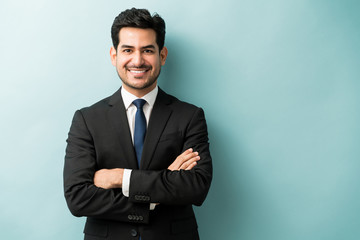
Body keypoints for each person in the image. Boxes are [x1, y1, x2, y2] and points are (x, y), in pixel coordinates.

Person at [63, 8, 212, 240]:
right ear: (114, 56)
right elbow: (78, 197)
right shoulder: (87, 119)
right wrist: (162, 185)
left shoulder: (190, 116)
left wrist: (119, 177)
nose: (138, 60)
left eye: (148, 50)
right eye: (128, 50)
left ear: (162, 55)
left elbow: (196, 186)